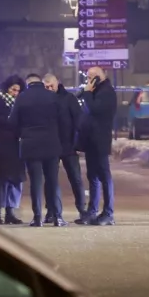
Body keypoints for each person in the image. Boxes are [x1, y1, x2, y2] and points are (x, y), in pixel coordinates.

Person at [9, 73, 65, 227]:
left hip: (30, 144)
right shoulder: (52, 97)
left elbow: (13, 122)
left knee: (36, 182)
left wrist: (23, 134)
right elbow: (63, 120)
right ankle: (57, 217)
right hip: (51, 143)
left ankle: (37, 217)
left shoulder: (22, 97)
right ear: (40, 82)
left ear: (28, 84)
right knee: (52, 181)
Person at [43, 74, 88, 224]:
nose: (49, 89)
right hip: (51, 145)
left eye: (51, 86)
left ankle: (82, 209)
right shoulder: (44, 100)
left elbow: (78, 119)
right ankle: (51, 211)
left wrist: (75, 139)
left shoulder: (69, 98)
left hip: (68, 145)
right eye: (46, 87)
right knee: (50, 180)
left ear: (57, 84)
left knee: (75, 178)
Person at [80, 66, 118, 225]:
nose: (90, 79)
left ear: (103, 76)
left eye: (94, 76)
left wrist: (88, 93)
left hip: (100, 140)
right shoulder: (94, 91)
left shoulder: (107, 92)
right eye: (88, 76)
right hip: (90, 140)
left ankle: (108, 213)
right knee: (92, 176)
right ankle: (92, 211)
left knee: (104, 176)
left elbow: (95, 109)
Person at [0, 76, 25, 225]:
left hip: (17, 145)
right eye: (13, 89)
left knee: (16, 179)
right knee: (2, 180)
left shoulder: (20, 102)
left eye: (18, 90)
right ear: (7, 87)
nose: (15, 93)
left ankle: (10, 212)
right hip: (2, 144)